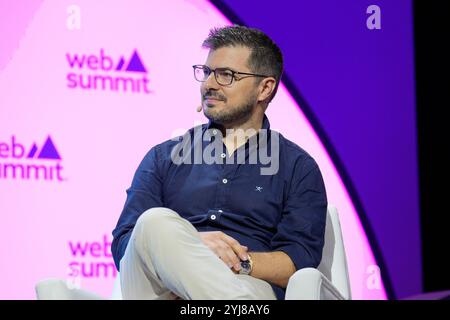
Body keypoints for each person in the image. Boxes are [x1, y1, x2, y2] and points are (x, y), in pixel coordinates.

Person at [111, 25, 327, 300]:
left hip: (245, 283)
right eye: (207, 72)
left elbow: (299, 259)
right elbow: (125, 243)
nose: (209, 84)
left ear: (265, 88)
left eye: (226, 75)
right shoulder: (163, 157)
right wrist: (187, 248)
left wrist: (231, 262)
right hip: (162, 287)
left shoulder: (297, 167)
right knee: (154, 222)